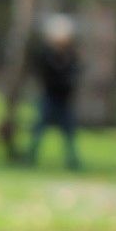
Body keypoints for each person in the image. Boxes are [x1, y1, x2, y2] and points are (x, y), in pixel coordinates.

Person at [23, 13, 82, 169]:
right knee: (39, 130)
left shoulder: (71, 56)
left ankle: (73, 161)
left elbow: (74, 73)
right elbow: (42, 70)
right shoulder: (46, 55)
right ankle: (30, 157)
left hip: (64, 100)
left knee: (69, 132)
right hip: (49, 97)